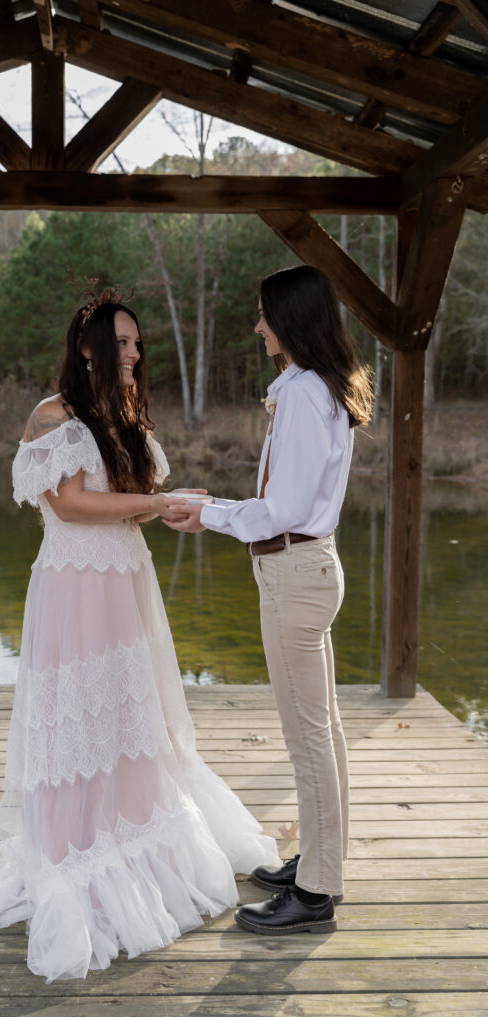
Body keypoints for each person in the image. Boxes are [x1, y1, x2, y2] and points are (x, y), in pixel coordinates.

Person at [0, 288, 281, 981]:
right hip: (75, 587)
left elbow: (126, 510)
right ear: (86, 349)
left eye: (139, 344)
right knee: (79, 715)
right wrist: (154, 500)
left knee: (129, 714)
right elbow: (70, 504)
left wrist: (171, 505)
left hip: (123, 580)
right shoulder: (52, 416)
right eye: (122, 343)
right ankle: (76, 851)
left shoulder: (122, 416)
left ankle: (137, 836)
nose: (134, 353)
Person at [163, 265, 373, 936]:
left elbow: (281, 508)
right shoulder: (317, 389)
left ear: (290, 320)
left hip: (294, 573)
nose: (256, 326)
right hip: (306, 570)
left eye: (262, 315)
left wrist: (207, 513)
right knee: (325, 731)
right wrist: (218, 509)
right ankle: (319, 861)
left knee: (308, 736)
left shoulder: (307, 396)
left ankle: (313, 892)